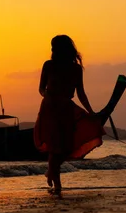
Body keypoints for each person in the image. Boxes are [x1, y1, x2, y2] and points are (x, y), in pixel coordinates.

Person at [33, 35, 104, 195]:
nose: (51, 49)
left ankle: (51, 171)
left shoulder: (76, 69)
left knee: (66, 145)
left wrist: (91, 112)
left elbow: (81, 93)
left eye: (54, 46)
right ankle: (57, 184)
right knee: (54, 145)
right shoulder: (49, 65)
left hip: (66, 108)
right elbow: (41, 88)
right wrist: (47, 95)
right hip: (50, 108)